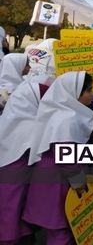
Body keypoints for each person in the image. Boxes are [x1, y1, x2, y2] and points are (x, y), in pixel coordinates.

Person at [23, 72, 93, 245]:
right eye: (89, 90)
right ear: (74, 93)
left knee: (59, 228)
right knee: (60, 230)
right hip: (59, 181)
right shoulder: (66, 119)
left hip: (51, 176)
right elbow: (67, 159)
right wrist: (79, 184)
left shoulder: (60, 112)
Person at [0, 78, 50, 245]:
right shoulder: (31, 126)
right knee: (13, 213)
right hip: (18, 180)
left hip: (8, 175)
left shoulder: (10, 117)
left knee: (10, 212)